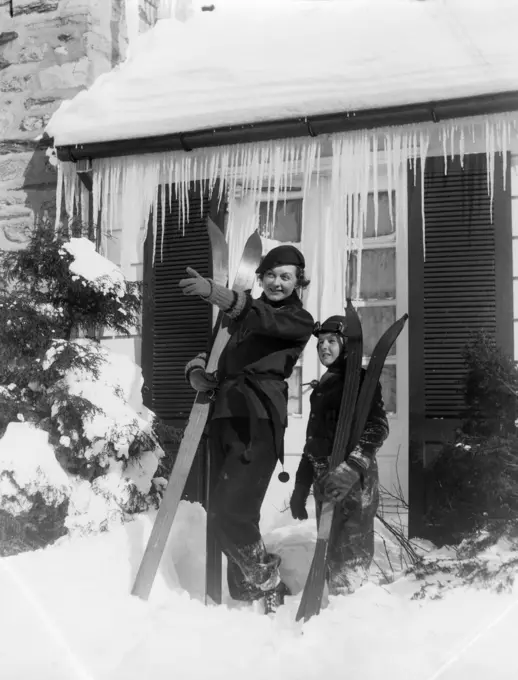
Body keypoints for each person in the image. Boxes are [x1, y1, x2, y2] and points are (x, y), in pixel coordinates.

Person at [179, 244, 314, 613]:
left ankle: (267, 583)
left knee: (230, 511)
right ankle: (246, 598)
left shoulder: (298, 320)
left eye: (285, 276)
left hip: (260, 418)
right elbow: (214, 348)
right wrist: (196, 373)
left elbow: (262, 319)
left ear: (298, 282)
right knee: (232, 510)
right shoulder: (239, 316)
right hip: (222, 414)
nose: (276, 282)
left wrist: (220, 295)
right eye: (270, 274)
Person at [289, 315, 389, 596]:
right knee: (332, 552)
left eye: (332, 341)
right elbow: (313, 442)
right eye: (320, 343)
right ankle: (333, 615)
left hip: (354, 481)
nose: (324, 348)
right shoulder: (321, 388)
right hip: (325, 480)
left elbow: (378, 426)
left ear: (347, 346)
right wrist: (301, 486)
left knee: (350, 553)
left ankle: (349, 616)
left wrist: (352, 467)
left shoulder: (360, 380)